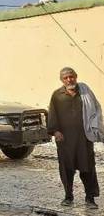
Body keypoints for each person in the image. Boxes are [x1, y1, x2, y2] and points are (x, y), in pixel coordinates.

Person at [48, 67, 103, 209]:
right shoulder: (57, 95)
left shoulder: (85, 92)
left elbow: (96, 109)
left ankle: (90, 198)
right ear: (62, 80)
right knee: (67, 169)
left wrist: (95, 127)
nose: (69, 80)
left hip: (84, 138)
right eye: (65, 78)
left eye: (71, 76)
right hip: (65, 140)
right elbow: (52, 115)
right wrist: (55, 131)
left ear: (76, 76)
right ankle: (68, 196)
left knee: (87, 168)